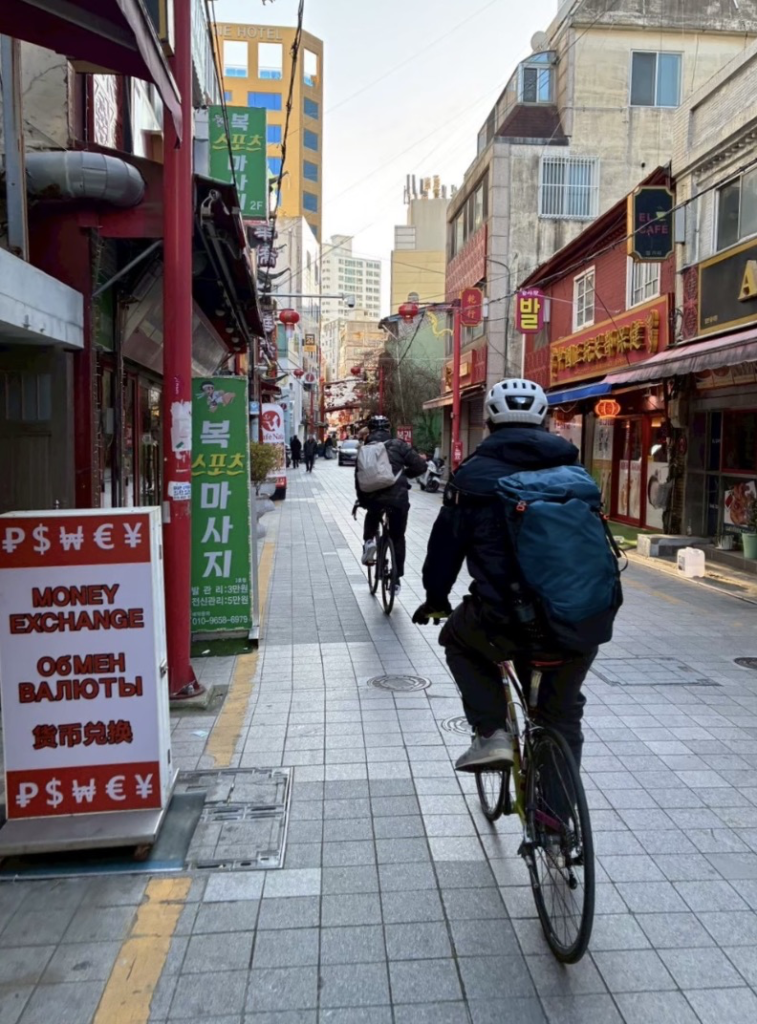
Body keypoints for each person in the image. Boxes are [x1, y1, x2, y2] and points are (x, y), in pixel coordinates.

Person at [412, 379, 597, 772]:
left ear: (489, 424)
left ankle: (492, 732)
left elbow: (445, 549)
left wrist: (436, 599)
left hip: (503, 618)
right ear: (545, 421)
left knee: (457, 639)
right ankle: (559, 809)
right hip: (580, 620)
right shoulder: (573, 470)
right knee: (561, 715)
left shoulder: (471, 476)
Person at [357, 414, 426, 596]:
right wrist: (404, 475)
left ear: (370, 431)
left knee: (372, 514)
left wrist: (362, 500)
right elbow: (421, 466)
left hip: (374, 498)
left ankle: (369, 542)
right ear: (389, 429)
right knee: (397, 537)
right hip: (398, 499)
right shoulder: (399, 445)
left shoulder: (365, 449)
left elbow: (360, 478)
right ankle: (396, 580)